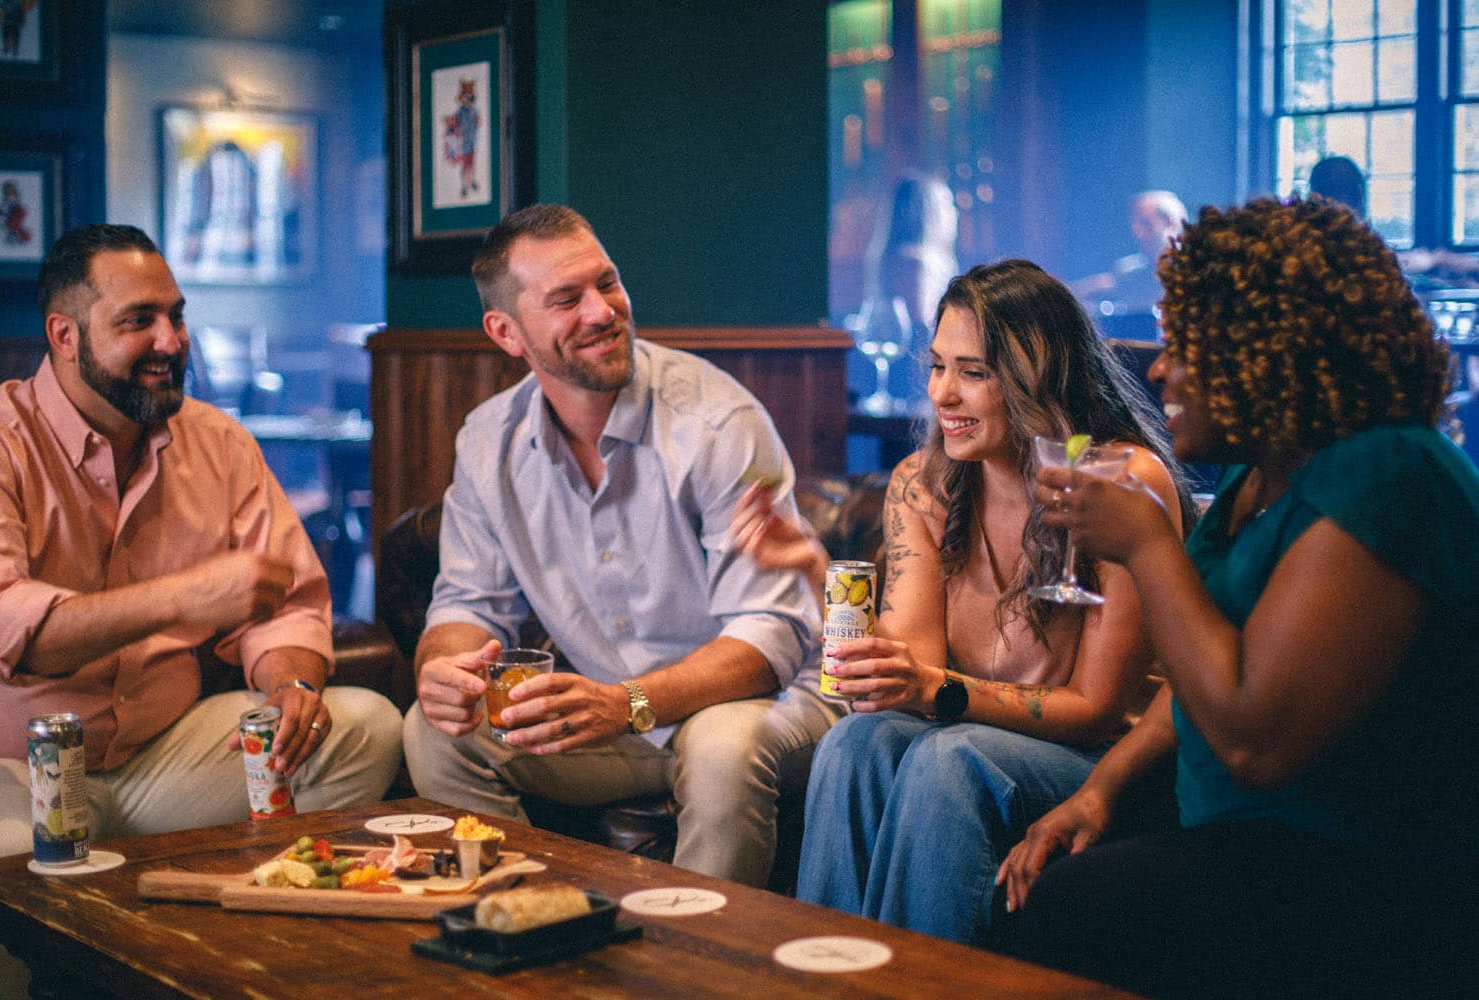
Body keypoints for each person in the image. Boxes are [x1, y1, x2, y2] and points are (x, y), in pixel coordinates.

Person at [995, 196, 1477, 997]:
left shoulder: (1388, 473)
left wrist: (1148, 545)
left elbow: (1258, 743)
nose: (1156, 368)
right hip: (1247, 834)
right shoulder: (1260, 479)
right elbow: (1194, 676)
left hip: (1364, 870)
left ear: (1266, 353)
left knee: (1076, 907)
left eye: (1182, 345)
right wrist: (1100, 791)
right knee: (1038, 865)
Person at [732, 259, 1195, 943]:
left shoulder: (1119, 477)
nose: (943, 394)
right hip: (973, 737)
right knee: (855, 743)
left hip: (1102, 760)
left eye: (974, 372)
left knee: (947, 760)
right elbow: (902, 677)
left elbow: (1098, 711)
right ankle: (823, 973)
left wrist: (935, 688)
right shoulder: (922, 483)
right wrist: (813, 569)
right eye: (939, 366)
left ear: (1038, 378)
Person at [401, 203, 840, 888]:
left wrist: (627, 702)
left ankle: (700, 974)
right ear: (506, 332)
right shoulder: (489, 442)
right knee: (434, 735)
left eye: (607, 283)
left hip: (766, 706)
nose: (603, 311)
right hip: (627, 719)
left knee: (722, 747)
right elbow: (467, 603)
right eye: (567, 300)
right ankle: (530, 930)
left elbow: (770, 636)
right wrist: (446, 671)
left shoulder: (716, 419)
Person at [0, 224, 403, 861]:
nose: (171, 342)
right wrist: (184, 598)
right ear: (64, 336)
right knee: (7, 873)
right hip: (13, 766)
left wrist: (293, 688)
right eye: (139, 321)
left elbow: (288, 607)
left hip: (164, 757)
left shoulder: (220, 442)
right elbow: (7, 632)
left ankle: (237, 940)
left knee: (367, 728)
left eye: (176, 317)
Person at [848, 171, 959, 415]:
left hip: (906, 380)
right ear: (928, 211)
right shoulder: (914, 262)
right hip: (917, 381)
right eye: (948, 204)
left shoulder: (891, 255)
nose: (954, 212)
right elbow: (922, 327)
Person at [1071, 189, 1189, 321]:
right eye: (1136, 226)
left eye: (1146, 224)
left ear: (1169, 222)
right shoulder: (1128, 272)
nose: (1139, 234)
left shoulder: (1194, 269)